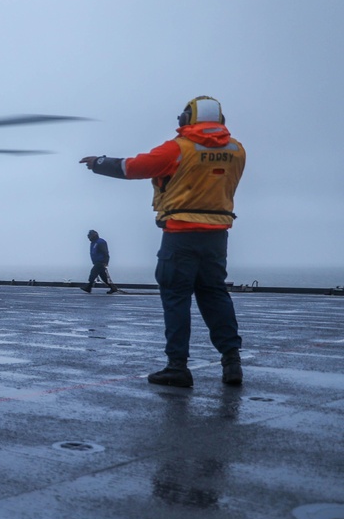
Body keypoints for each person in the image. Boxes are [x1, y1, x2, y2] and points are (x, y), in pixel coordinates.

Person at [80, 95, 245, 388]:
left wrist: (99, 163)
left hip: (180, 234)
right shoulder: (237, 150)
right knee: (215, 294)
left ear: (186, 119)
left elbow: (133, 168)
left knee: (176, 296)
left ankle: (177, 366)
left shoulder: (178, 149)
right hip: (217, 236)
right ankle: (232, 361)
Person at [81, 230, 118, 294]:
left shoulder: (100, 242)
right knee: (104, 277)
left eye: (90, 235)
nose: (89, 237)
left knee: (93, 273)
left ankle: (88, 287)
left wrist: (106, 262)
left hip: (100, 262)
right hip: (97, 262)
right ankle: (113, 288)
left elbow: (105, 252)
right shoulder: (93, 243)